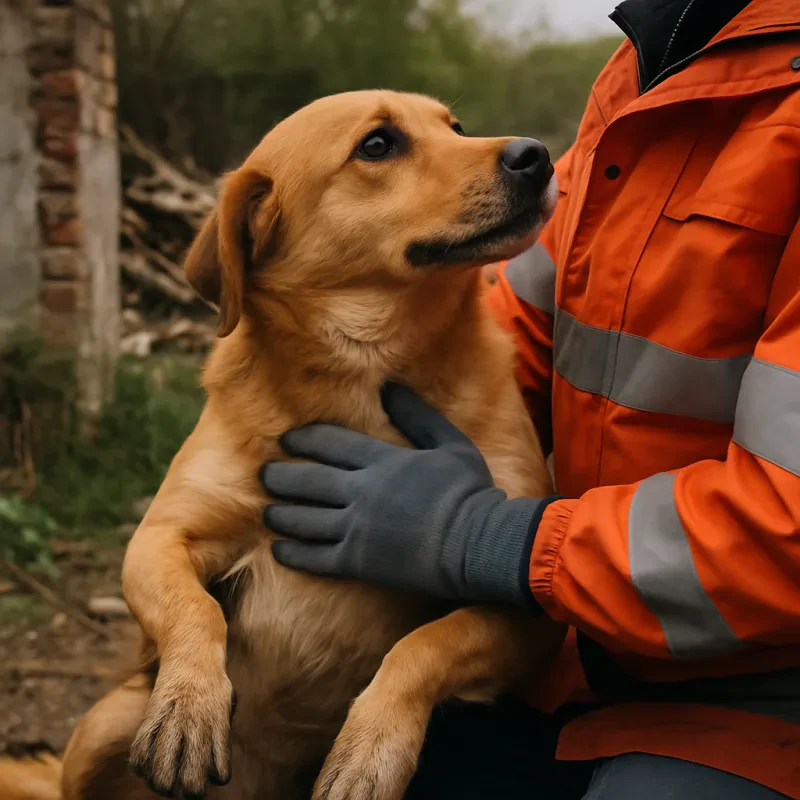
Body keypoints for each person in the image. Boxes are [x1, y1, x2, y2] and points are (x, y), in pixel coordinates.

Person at [259, 1, 800, 797]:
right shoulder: (652, 70)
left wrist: (489, 538)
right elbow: (500, 339)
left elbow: (787, 532)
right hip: (592, 650)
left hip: (758, 702)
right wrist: (277, 415)